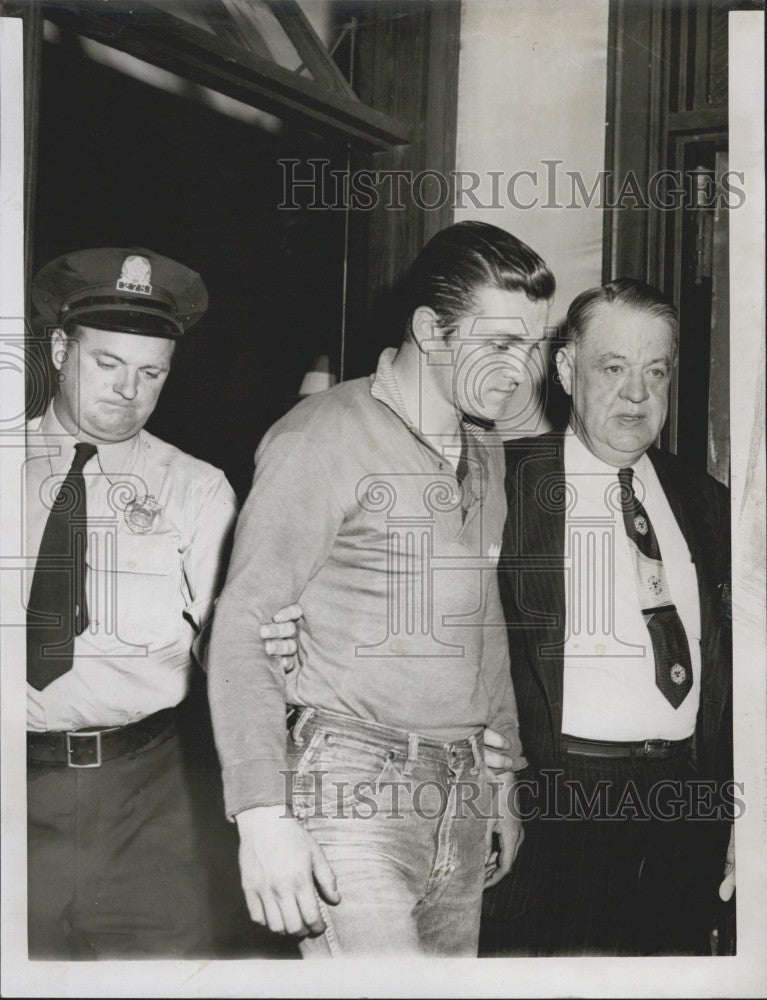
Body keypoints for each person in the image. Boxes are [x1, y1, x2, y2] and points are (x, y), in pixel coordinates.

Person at [207, 221, 555, 956]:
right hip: (351, 785)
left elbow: (481, 623)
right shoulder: (320, 434)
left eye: (534, 345)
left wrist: (503, 778)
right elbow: (242, 620)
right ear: (431, 331)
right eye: (499, 344)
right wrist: (262, 816)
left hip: (459, 788)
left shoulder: (484, 449)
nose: (521, 372)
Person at [481, 279, 734, 956]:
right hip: (559, 808)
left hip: (687, 804)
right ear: (566, 371)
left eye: (655, 372)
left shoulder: (707, 503)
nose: (636, 394)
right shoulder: (502, 486)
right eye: (613, 368)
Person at [25, 248, 238, 958]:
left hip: (145, 794)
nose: (129, 391)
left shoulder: (197, 489)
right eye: (109, 364)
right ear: (61, 349)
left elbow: (226, 641)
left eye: (151, 374)